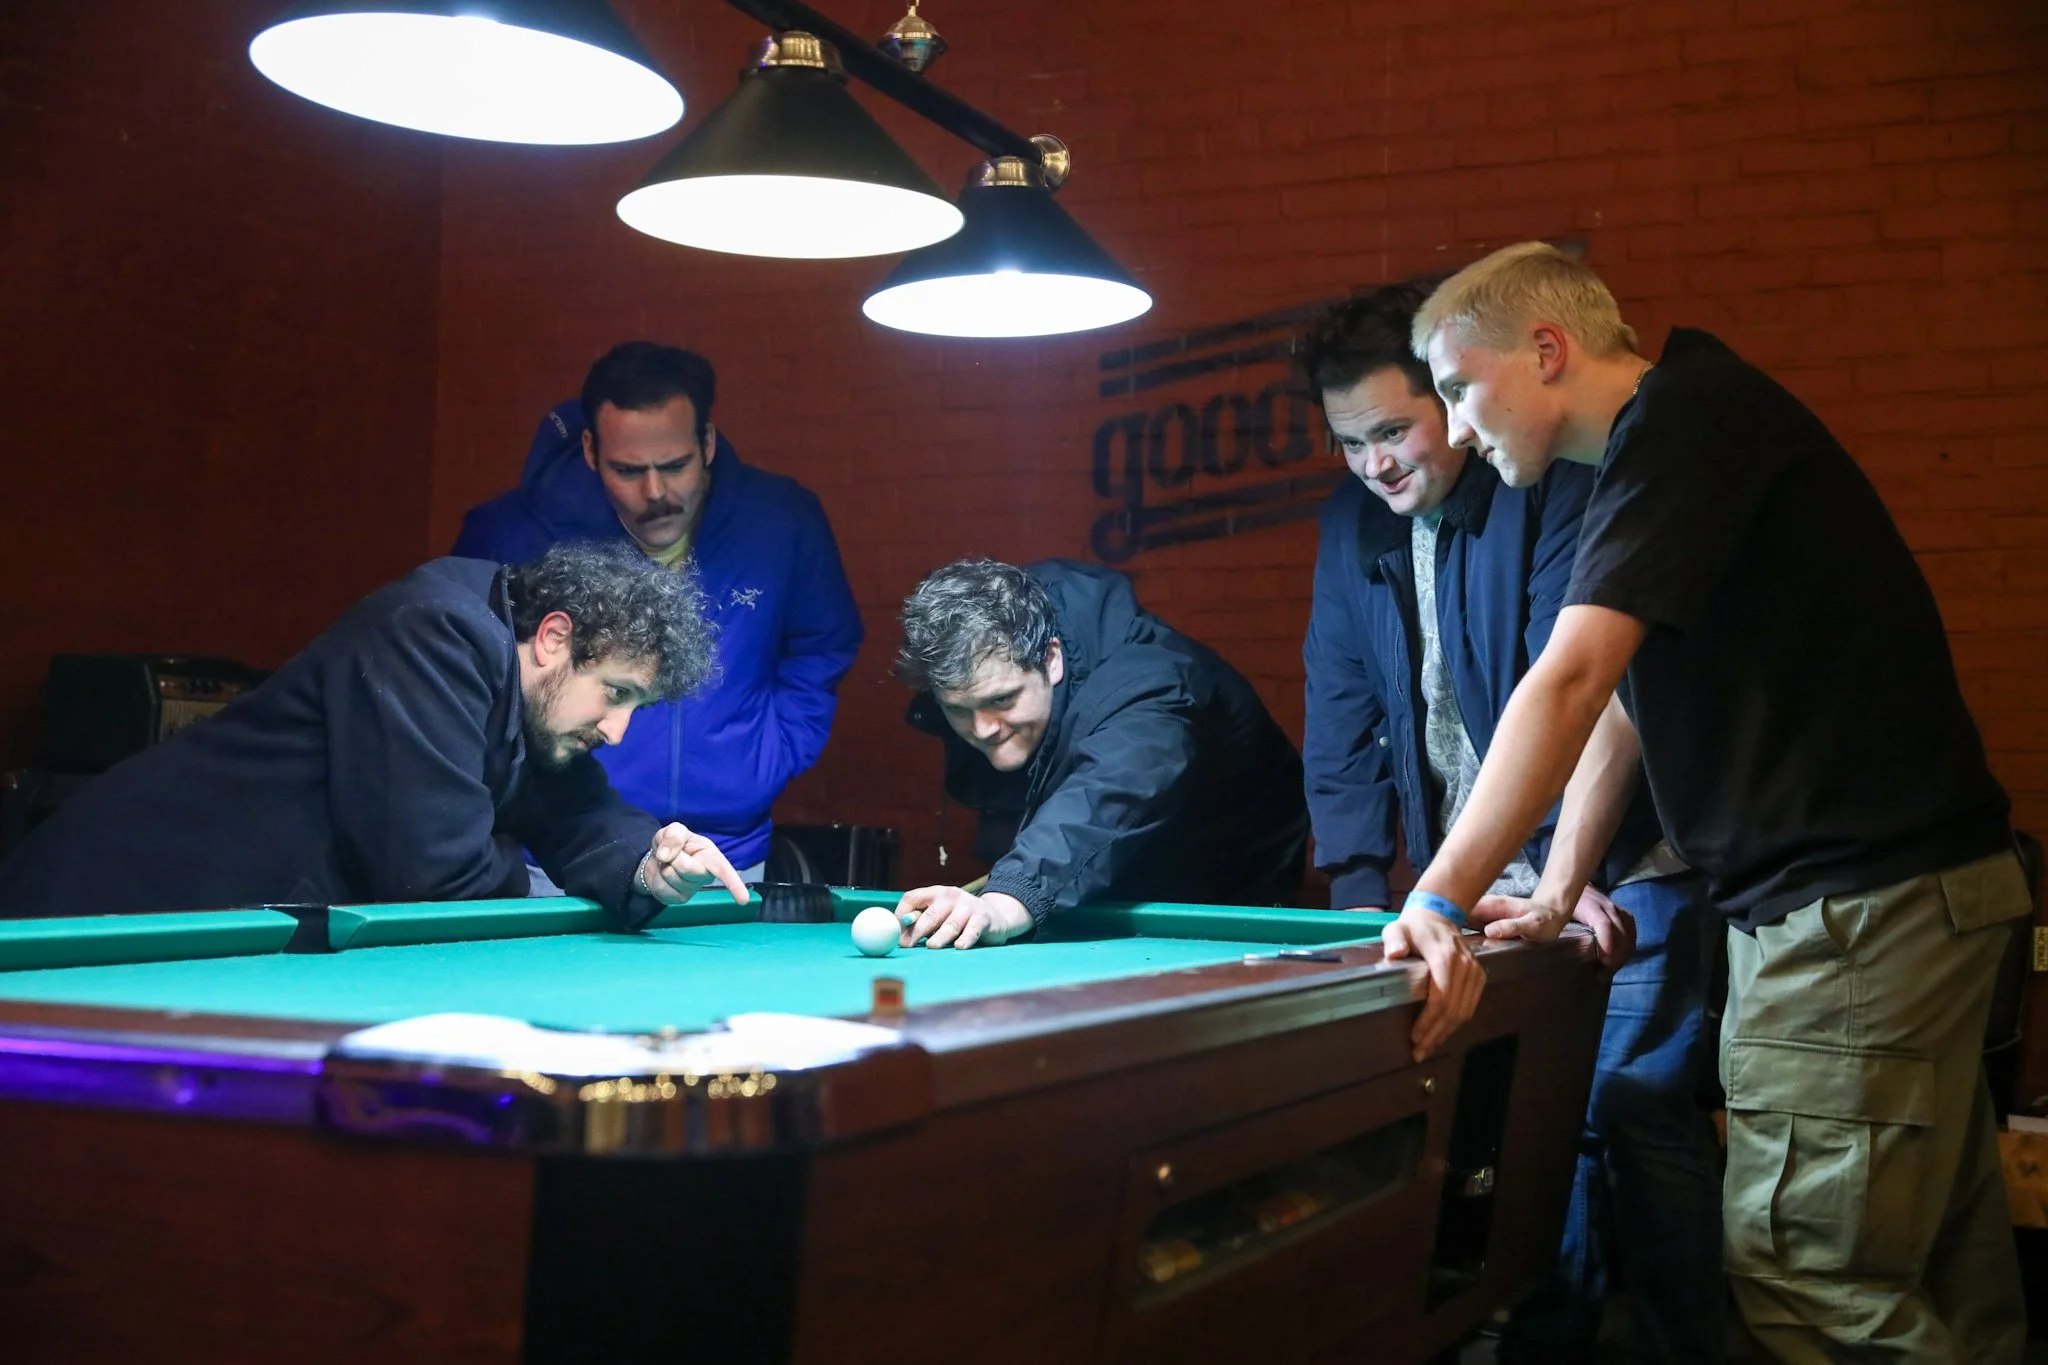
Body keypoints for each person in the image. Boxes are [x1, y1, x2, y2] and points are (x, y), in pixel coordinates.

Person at [1399, 241, 2027, 1361]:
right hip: (1913, 902)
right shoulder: (1672, 438)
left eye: (1456, 387)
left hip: (1852, 917)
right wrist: (1554, 891)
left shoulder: (1681, 424)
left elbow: (1568, 680)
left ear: (1545, 349)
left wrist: (1437, 900)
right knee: (1943, 1275)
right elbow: (1622, 704)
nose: (1452, 428)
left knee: (1810, 1281)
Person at [1299, 283, 1721, 1363]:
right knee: (1522, 1119)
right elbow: (1339, 714)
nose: (1373, 463)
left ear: (1451, 400)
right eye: (1349, 442)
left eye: (1394, 429)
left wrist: (1559, 872)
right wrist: (1360, 899)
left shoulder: (1547, 482)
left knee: (1628, 1109)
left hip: (1623, 861)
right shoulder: (1353, 523)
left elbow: (1575, 692)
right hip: (1485, 881)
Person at [0, 544, 748, 926]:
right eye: (616, 694)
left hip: (193, 924)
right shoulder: (438, 631)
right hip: (96, 904)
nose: (617, 730)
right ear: (554, 638)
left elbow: (576, 809)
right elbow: (432, 872)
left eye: (637, 707)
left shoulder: (528, 693)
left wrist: (648, 866)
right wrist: (533, 875)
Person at [454, 342, 862, 881]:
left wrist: (771, 754)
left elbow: (823, 644)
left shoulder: (783, 521)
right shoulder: (510, 533)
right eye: (628, 470)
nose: (655, 492)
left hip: (729, 851)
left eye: (675, 466)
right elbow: (472, 674)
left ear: (707, 443)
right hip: (560, 851)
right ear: (590, 450)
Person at [890, 557, 1309, 950]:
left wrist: (1007, 898)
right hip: (1113, 866)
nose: (982, 729)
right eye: (958, 709)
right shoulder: (993, 642)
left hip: (1229, 874)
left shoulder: (1150, 687)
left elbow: (1106, 794)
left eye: (1001, 700)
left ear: (1051, 659)